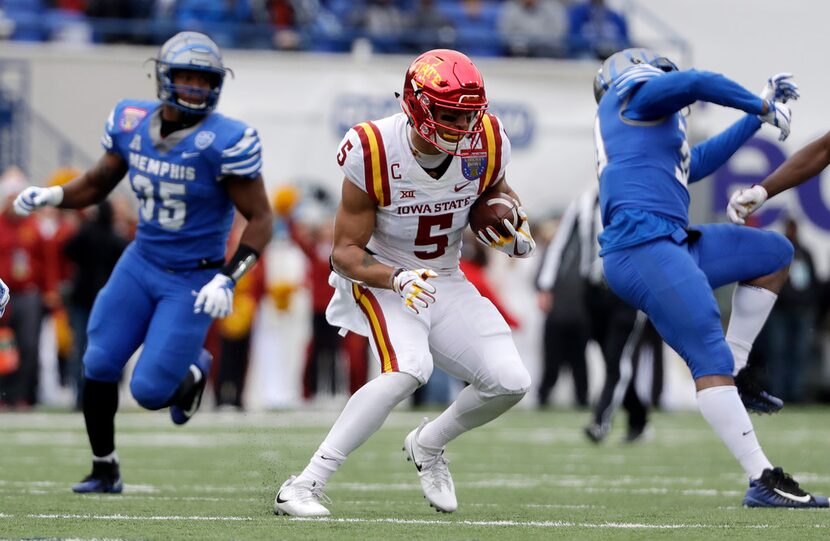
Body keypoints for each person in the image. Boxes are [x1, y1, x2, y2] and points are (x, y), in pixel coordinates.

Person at [274, 49, 535, 517]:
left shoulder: (489, 140)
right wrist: (395, 278)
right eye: (450, 113)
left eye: (469, 114)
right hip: (382, 275)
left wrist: (513, 226)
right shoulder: (373, 148)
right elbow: (344, 252)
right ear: (416, 104)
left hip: (446, 276)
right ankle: (304, 483)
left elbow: (495, 191)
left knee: (510, 381)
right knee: (408, 368)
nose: (462, 125)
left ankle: (429, 444)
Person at [13, 31, 273, 494]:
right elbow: (97, 182)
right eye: (186, 78)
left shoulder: (226, 140)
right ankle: (104, 467)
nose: (194, 88)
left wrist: (228, 278)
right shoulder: (130, 120)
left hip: (193, 275)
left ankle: (192, 369)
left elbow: (261, 218)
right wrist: (53, 194)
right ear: (164, 77)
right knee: (98, 361)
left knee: (150, 392)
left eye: (203, 80)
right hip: (141, 261)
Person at [593, 49, 827, 508]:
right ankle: (761, 478)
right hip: (642, 248)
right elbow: (697, 81)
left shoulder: (645, 133)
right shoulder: (634, 95)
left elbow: (695, 163)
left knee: (774, 254)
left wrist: (755, 120)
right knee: (707, 351)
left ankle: (737, 368)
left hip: (672, 241)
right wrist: (757, 106)